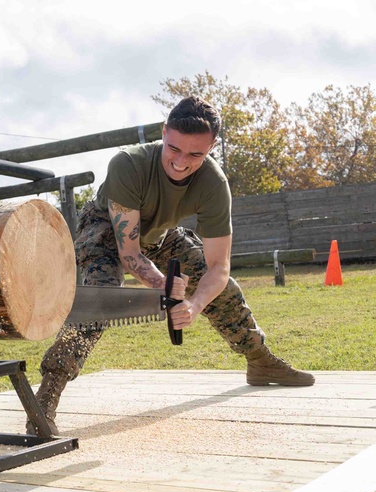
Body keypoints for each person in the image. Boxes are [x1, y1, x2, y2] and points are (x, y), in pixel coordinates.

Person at [28, 96, 314, 435]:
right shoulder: (128, 164)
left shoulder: (213, 184)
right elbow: (129, 251)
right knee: (100, 299)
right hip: (106, 229)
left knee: (224, 291)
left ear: (211, 147)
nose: (181, 163)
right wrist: (162, 284)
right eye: (174, 149)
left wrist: (193, 304)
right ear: (164, 132)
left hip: (161, 233)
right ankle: (45, 400)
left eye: (196, 155)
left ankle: (261, 361)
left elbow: (219, 267)